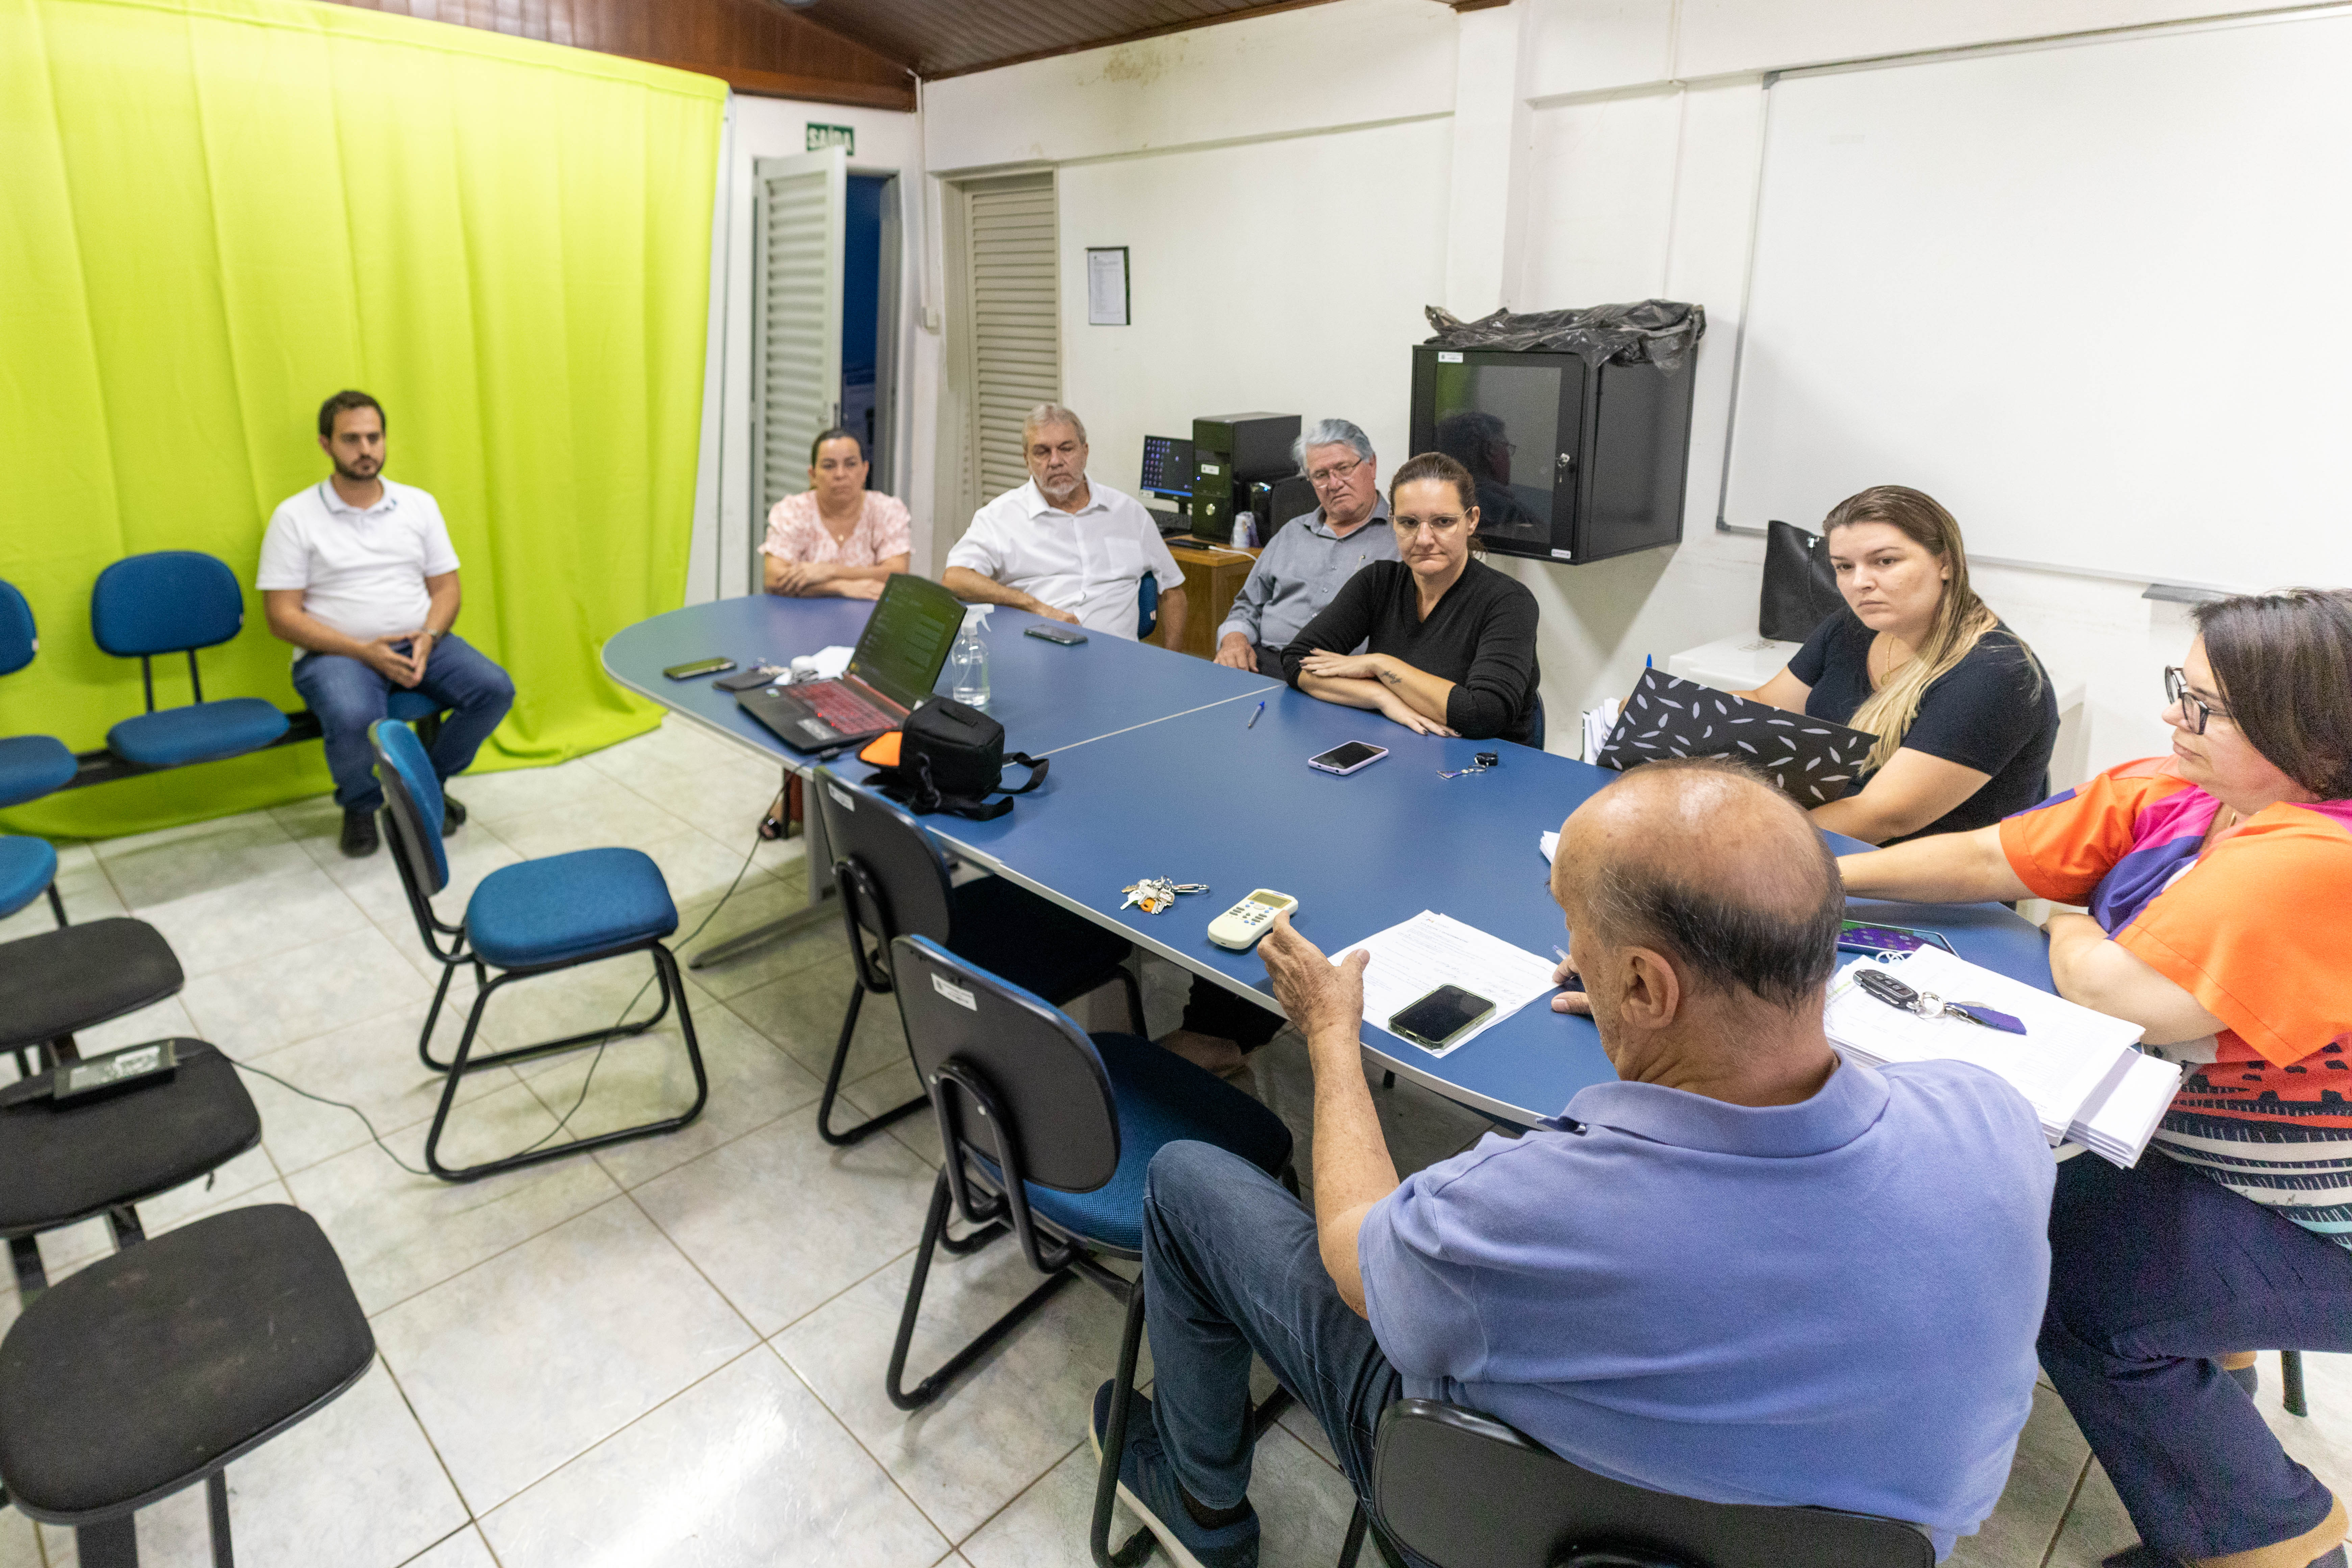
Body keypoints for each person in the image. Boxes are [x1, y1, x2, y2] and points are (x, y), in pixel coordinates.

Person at [1098, 758, 2054, 1568]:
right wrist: (1695, 1028)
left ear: (1643, 982)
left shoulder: (1516, 1210)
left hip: (1488, 1527)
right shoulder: (1997, 1126)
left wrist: (1331, 1036)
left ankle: (1203, 1512)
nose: (1569, 955)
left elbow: (1353, 1254)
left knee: (1189, 1181)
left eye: (1581, 942)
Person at [1839, 589, 2352, 1568]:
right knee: (2033, 1212)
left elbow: (2125, 993)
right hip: (2212, 1151)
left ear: (2312, 732)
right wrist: (1823, 873)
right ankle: (2209, 1372)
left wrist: (2062, 917)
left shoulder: (2321, 856)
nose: (2174, 719)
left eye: (2206, 707)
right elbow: (2000, 852)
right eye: (2181, 691)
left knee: (2080, 1292)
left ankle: (2275, 1541)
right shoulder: (2187, 793)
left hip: (2323, 1215)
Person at [258, 391, 515, 859]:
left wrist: (430, 636)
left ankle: (424, 786)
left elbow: (446, 589)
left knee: (494, 689)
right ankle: (360, 805)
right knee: (355, 717)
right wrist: (362, 651)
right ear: (326, 444)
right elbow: (282, 616)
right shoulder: (294, 517)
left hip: (422, 641)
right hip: (335, 654)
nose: (366, 449)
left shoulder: (418, 505)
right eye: (351, 439)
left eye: (374, 437)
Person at [1732, 485, 2057, 845]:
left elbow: (1883, 816)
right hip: (1827, 838)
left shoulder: (1997, 676)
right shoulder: (1852, 627)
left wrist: (1748, 835)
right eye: (1843, 567)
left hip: (1918, 883)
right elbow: (1768, 704)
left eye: (1885, 562)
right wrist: (1665, 709)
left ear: (1945, 563)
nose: (1860, 583)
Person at [1282, 451, 1540, 745]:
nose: (1424, 539)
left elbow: (1483, 714)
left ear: (1472, 521)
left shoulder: (1509, 602)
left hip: (1490, 769)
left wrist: (1381, 665)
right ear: (1393, 522)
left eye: (1443, 522)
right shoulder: (1378, 583)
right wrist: (1379, 696)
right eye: (1408, 522)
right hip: (1401, 752)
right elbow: (1296, 660)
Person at [942, 403, 1186, 643]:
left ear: (1085, 451)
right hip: (1038, 658)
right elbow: (955, 578)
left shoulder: (1128, 513)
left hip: (1118, 662)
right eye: (1042, 452)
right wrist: (1033, 606)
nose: (1056, 461)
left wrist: (1173, 667)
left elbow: (1173, 591)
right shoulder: (999, 517)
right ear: (1026, 460)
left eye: (1066, 449)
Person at [1212, 419, 1398, 676]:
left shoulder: (1403, 540)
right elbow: (1248, 605)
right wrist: (1234, 639)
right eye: (1321, 475)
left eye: (1344, 469)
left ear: (1372, 464)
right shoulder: (1292, 533)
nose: (1334, 484)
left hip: (1345, 679)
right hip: (1265, 665)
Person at [759, 427, 913, 600]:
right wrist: (841, 587)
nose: (840, 474)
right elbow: (774, 579)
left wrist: (828, 571)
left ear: (865, 471)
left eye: (851, 464)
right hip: (803, 617)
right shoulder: (793, 511)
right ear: (813, 475)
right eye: (829, 466)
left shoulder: (887, 510)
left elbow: (897, 575)